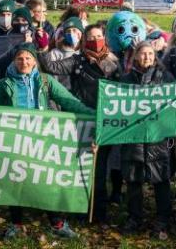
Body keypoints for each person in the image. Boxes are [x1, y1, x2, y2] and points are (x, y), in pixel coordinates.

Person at [0, 43, 93, 238]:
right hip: (16, 140)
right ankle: (16, 223)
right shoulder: (5, 84)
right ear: (14, 61)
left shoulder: (46, 82)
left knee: (47, 181)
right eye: (20, 58)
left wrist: (94, 115)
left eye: (28, 58)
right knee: (16, 182)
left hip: (43, 141)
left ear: (35, 61)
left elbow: (70, 102)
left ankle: (56, 224)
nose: (24, 62)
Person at [38, 24, 120, 222]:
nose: (96, 40)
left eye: (99, 36)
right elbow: (51, 66)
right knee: (80, 168)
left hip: (104, 120)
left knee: (99, 170)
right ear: (84, 41)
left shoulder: (115, 62)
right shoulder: (77, 60)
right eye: (91, 37)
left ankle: (98, 213)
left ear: (105, 38)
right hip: (81, 120)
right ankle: (80, 210)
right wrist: (43, 47)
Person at [120, 42, 176, 238]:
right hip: (133, 138)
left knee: (161, 180)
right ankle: (134, 218)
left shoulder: (165, 77)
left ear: (155, 57)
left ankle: (163, 219)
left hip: (157, 138)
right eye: (143, 54)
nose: (146, 57)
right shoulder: (126, 79)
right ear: (136, 56)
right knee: (133, 180)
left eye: (150, 54)